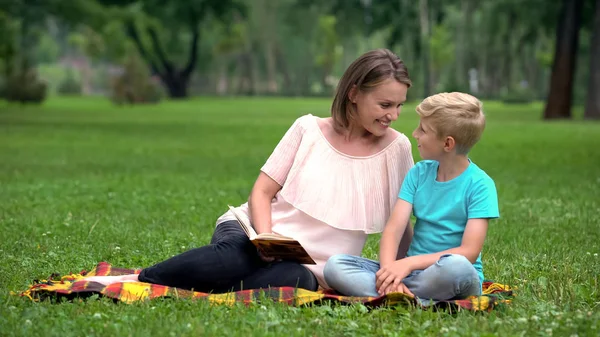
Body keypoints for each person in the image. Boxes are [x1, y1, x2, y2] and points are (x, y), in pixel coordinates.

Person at [85, 49, 415, 292]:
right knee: (233, 258)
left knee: (293, 281)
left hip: (308, 267)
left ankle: (206, 288)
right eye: (385, 105)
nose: (393, 115)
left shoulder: (397, 148)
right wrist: (266, 238)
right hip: (256, 231)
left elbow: (403, 224)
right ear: (354, 94)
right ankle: (140, 280)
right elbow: (262, 191)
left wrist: (401, 274)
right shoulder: (308, 129)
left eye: (399, 105)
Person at [323, 92, 499, 304]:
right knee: (335, 265)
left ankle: (396, 294)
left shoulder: (480, 185)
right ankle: (402, 292)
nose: (415, 134)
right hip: (411, 274)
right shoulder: (418, 173)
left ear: (448, 143)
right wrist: (390, 270)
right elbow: (394, 229)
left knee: (457, 267)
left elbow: (468, 252)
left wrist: (408, 264)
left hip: (452, 274)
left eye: (423, 130)